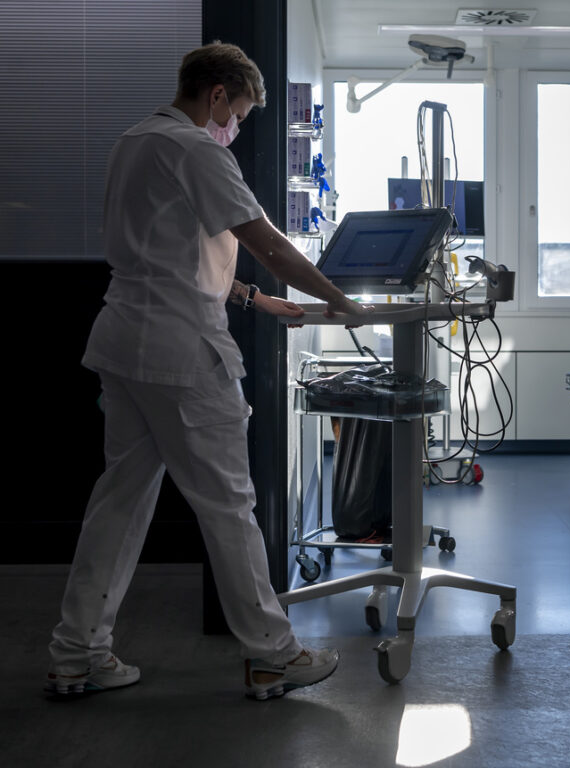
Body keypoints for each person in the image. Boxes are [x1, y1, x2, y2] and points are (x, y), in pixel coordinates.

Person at [46, 41, 371, 701]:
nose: (237, 128)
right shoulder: (197, 149)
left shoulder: (133, 142)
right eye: (240, 113)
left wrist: (255, 298)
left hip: (125, 344)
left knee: (119, 504)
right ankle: (274, 655)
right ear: (217, 94)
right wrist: (340, 299)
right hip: (182, 354)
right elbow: (269, 243)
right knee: (228, 505)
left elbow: (167, 250)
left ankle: (76, 653)